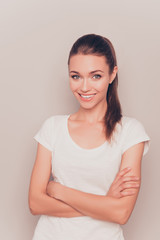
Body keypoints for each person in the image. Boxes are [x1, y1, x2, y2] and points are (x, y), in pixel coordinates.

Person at [28, 33, 150, 240]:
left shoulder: (131, 132)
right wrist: (104, 203)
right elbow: (35, 203)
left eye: (96, 76)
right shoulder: (52, 128)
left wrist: (56, 189)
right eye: (76, 76)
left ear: (112, 74)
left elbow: (121, 213)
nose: (84, 87)